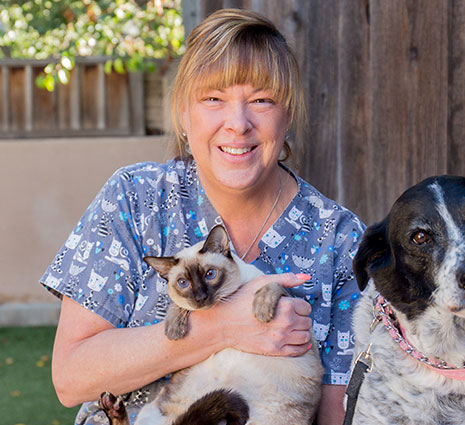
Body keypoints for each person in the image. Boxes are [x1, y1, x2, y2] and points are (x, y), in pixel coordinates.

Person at [41, 8, 364, 425]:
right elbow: (70, 379)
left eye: (261, 100)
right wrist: (222, 327)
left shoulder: (338, 239)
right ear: (182, 112)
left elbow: (336, 415)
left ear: (288, 115)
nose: (238, 124)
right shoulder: (136, 199)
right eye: (213, 99)